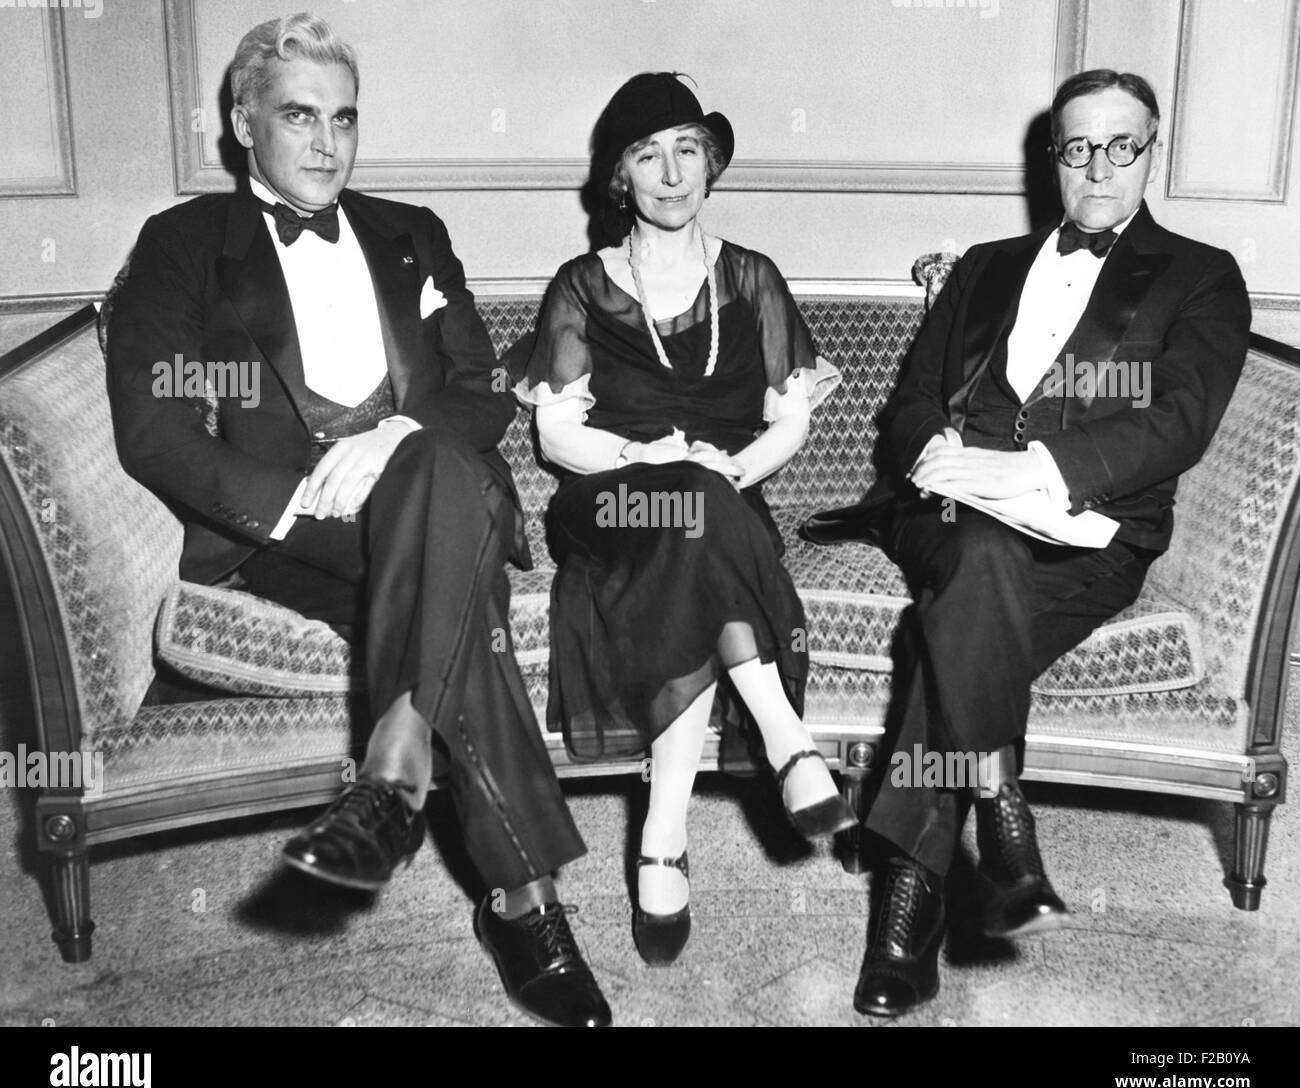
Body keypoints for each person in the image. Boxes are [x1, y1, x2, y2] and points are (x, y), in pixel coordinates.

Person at [106, 13, 610, 1028]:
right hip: (287, 529)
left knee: (435, 475)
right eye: (299, 116)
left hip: (429, 486)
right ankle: (523, 900)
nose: (328, 143)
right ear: (243, 121)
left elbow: (477, 387)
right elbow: (158, 430)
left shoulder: (410, 232)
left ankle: (392, 775)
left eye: (344, 118)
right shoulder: (183, 244)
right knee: (469, 595)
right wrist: (296, 498)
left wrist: (394, 438)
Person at [801, 69, 1250, 1017]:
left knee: (957, 615)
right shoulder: (985, 265)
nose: (1098, 166)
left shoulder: (1200, 274)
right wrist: (939, 455)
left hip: (1086, 533)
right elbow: (914, 398)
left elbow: (1179, 421)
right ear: (1053, 160)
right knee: (976, 554)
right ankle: (996, 828)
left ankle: (909, 874)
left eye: (1120, 145)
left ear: (1151, 151)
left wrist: (1037, 472)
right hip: (951, 512)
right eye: (1077, 146)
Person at [514, 72, 850, 968]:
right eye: (647, 154)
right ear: (620, 176)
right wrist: (651, 461)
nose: (671, 173)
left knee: (702, 532)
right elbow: (556, 432)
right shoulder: (583, 284)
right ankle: (787, 739)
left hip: (724, 506)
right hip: (613, 498)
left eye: (688, 150)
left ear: (712, 166)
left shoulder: (751, 277)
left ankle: (662, 834)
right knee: (694, 511)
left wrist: (728, 471)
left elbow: (791, 417)